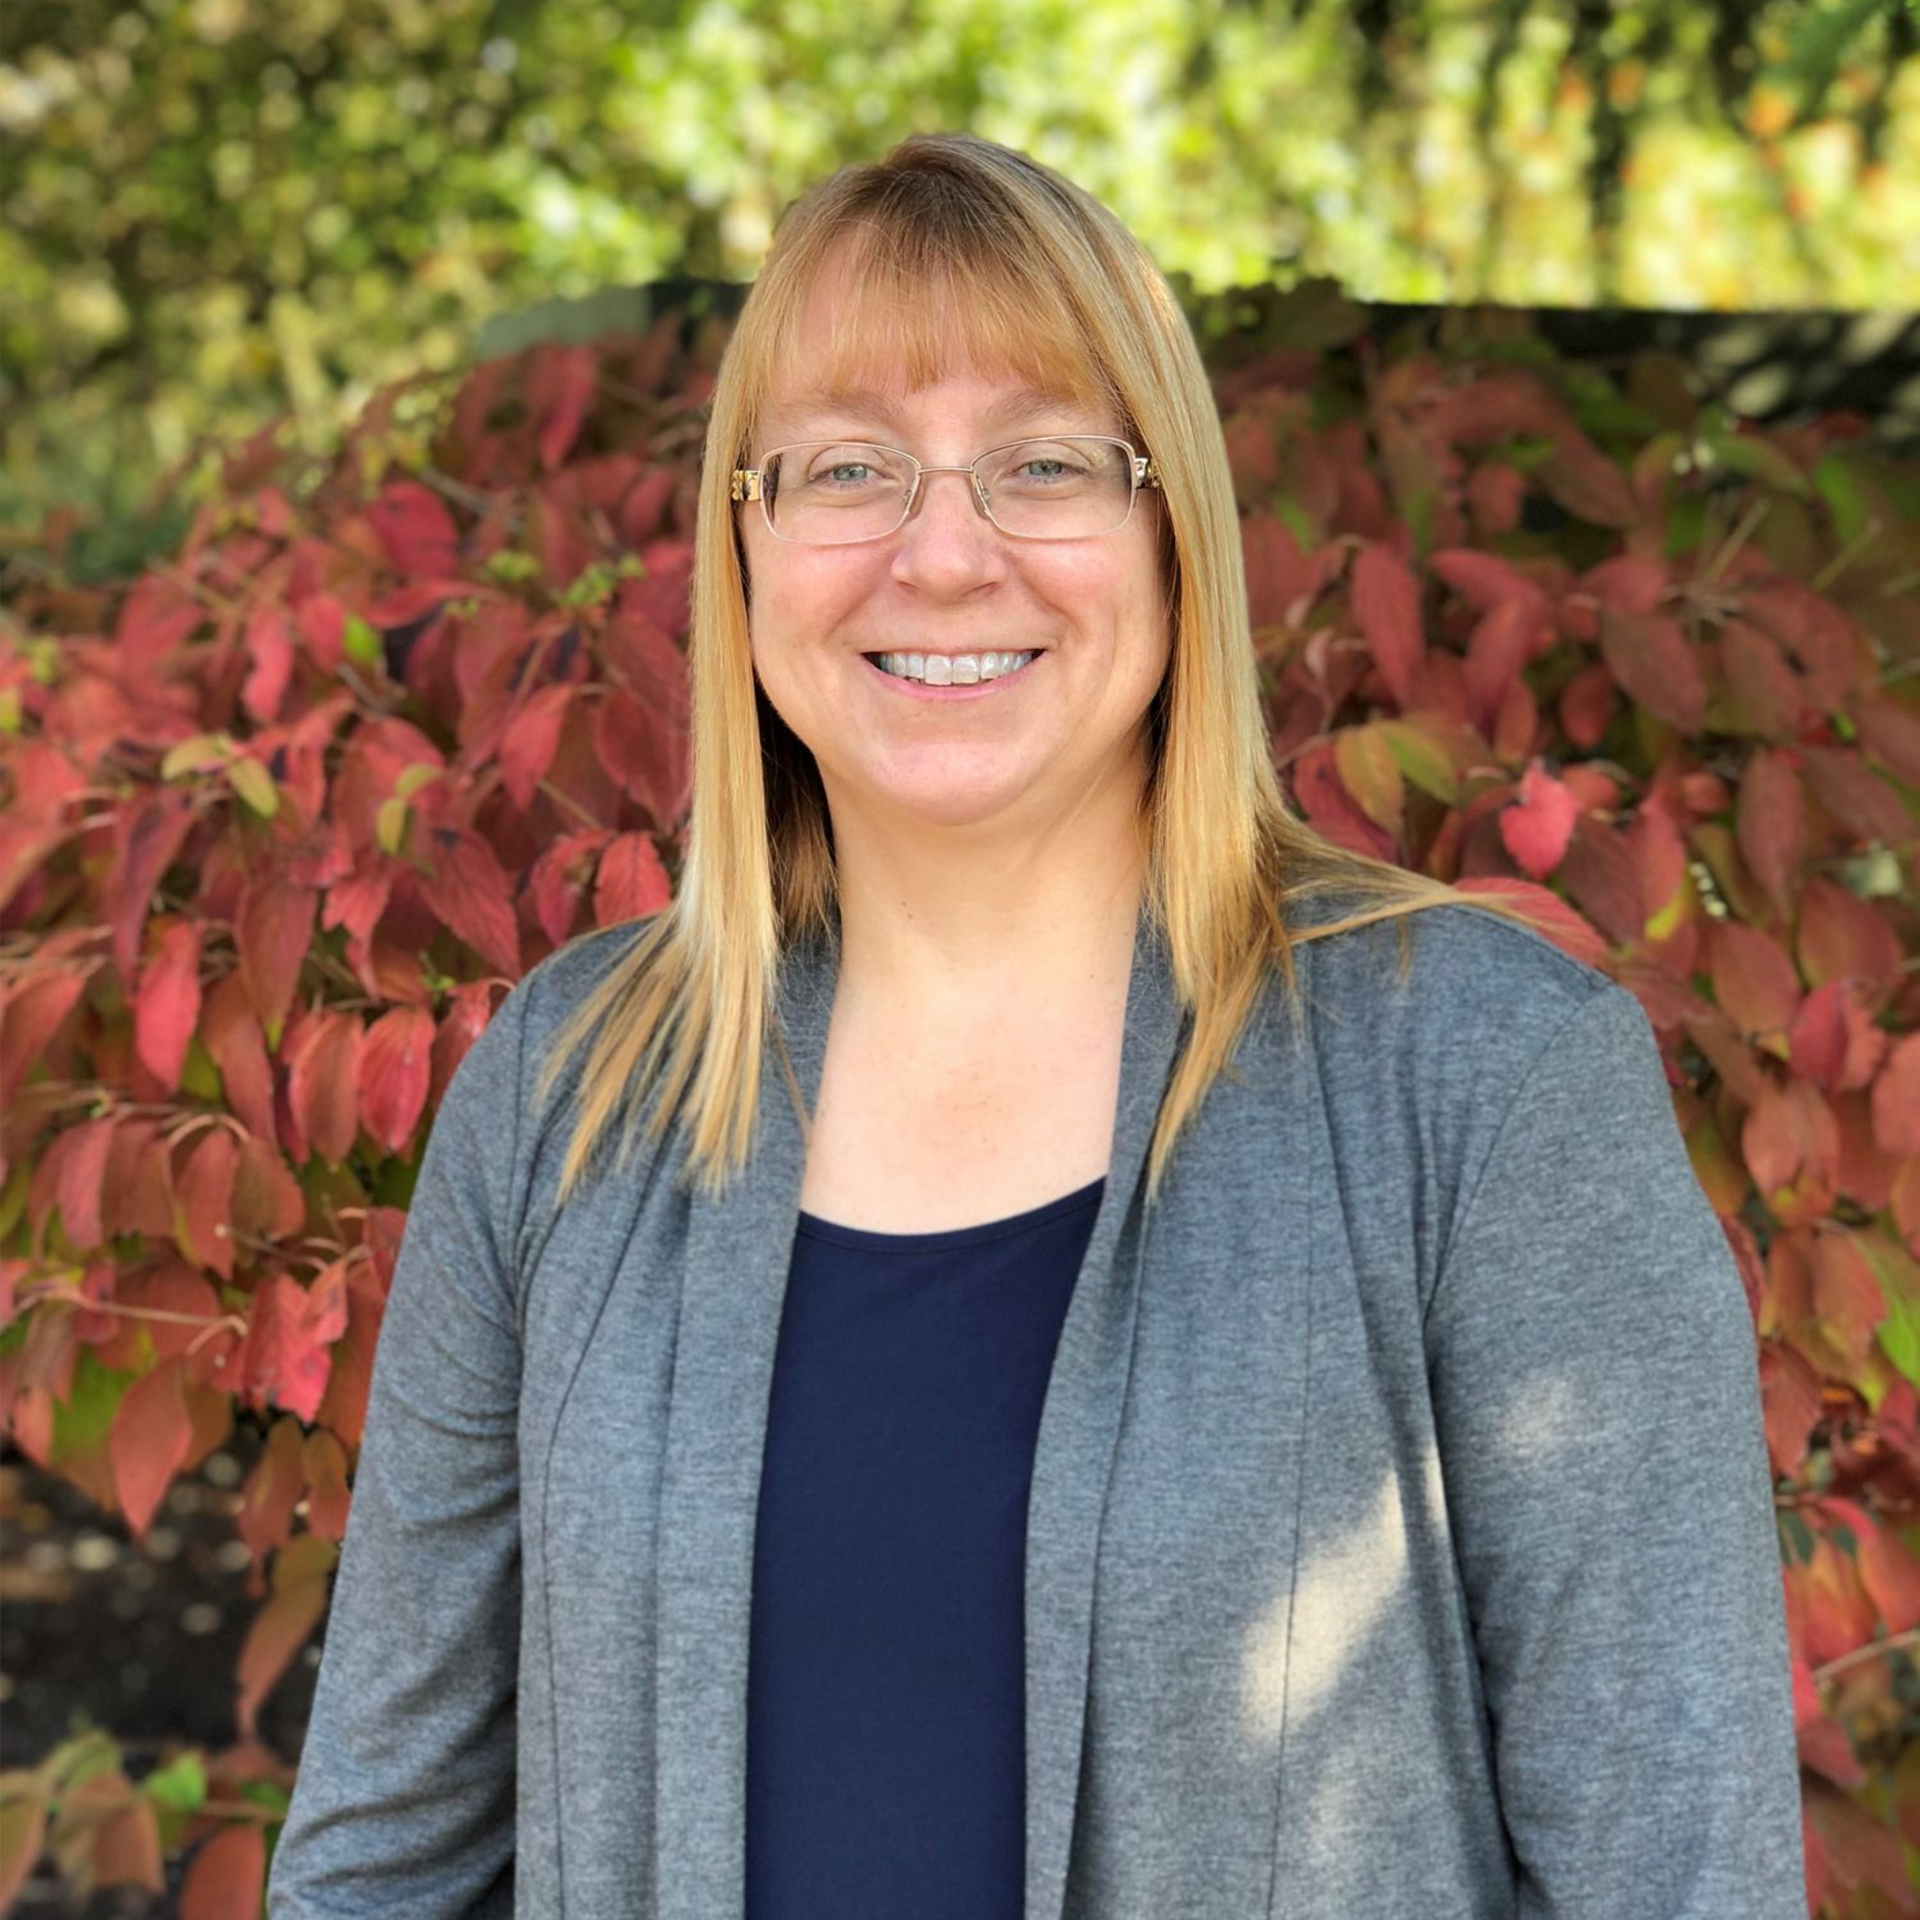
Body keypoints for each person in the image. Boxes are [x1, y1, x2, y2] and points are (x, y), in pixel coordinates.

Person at [267, 134, 1802, 1919]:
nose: (943, 556)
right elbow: (377, 1868)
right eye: (849, 466)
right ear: (744, 542)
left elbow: (1677, 1872)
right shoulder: (565, 1091)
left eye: (1045, 463)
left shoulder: (1487, 1083)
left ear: (1174, 533)